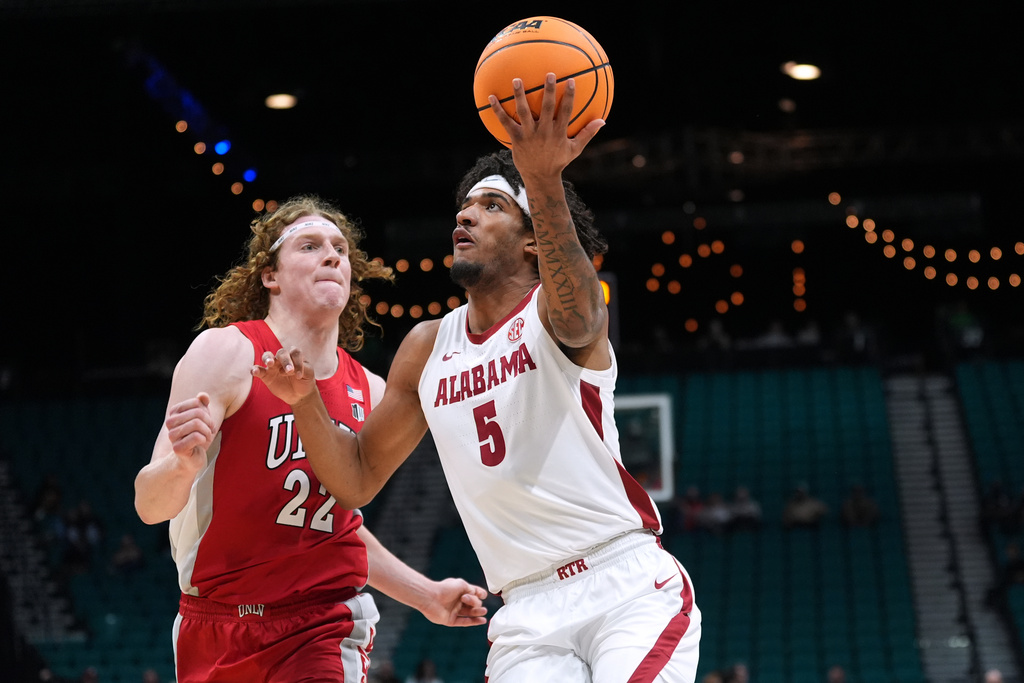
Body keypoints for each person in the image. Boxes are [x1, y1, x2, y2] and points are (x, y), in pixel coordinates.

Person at [254, 74, 701, 681]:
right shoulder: (427, 346)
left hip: (622, 583)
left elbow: (581, 317)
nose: (465, 216)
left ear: (532, 243)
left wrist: (541, 179)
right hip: (524, 610)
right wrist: (305, 401)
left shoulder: (555, 309)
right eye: (464, 208)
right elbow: (356, 479)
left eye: (491, 207)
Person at [133, 195, 488, 682]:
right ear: (270, 276)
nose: (332, 255)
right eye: (310, 245)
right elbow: (150, 505)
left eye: (340, 249)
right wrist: (182, 467)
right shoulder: (228, 352)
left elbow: (342, 526)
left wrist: (423, 593)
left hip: (321, 625)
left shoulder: (371, 390)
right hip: (215, 623)